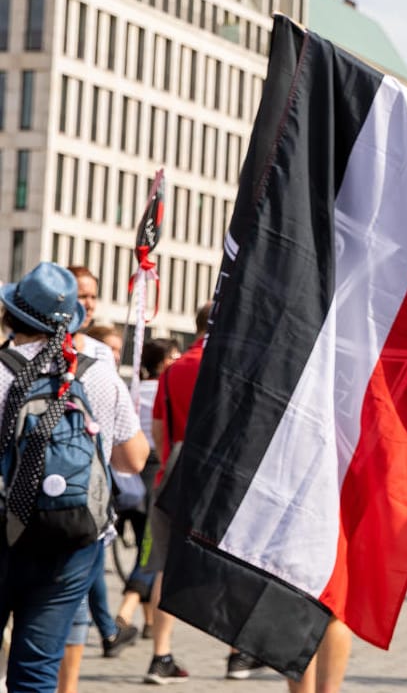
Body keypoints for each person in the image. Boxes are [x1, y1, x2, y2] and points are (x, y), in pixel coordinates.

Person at [0, 262, 149, 693]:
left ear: (13, 315)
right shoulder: (98, 373)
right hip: (70, 539)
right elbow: (134, 459)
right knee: (38, 672)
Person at [144, 304, 261, 683]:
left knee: (165, 564)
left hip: (173, 472)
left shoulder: (174, 368)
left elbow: (159, 433)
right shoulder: (234, 366)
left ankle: (160, 656)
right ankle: (236, 654)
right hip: (223, 477)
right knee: (233, 563)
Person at [113, 338, 180, 642]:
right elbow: (161, 433)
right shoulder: (167, 388)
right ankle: (125, 612)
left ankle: (150, 623)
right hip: (155, 468)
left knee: (145, 545)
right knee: (150, 551)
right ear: (163, 362)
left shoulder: (132, 390)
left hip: (125, 473)